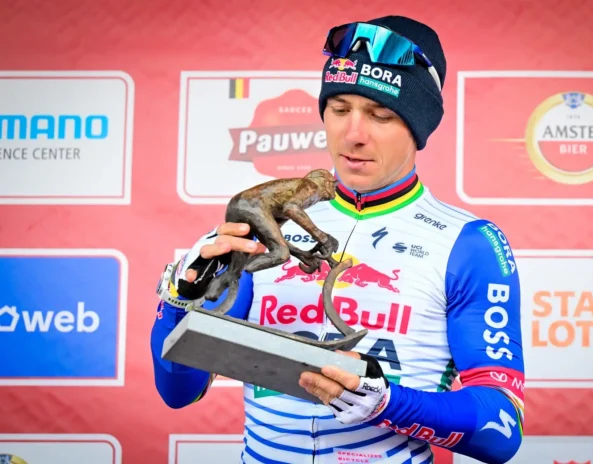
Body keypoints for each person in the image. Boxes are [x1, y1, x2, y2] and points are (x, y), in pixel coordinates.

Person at [150, 15, 525, 464]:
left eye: (381, 115)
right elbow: (178, 390)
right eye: (340, 109)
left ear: (418, 127)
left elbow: (501, 431)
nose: (354, 135)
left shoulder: (470, 244)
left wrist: (389, 404)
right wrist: (180, 298)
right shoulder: (267, 220)